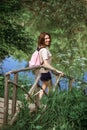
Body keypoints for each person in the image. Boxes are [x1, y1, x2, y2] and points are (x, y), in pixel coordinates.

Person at [37, 32, 64, 99]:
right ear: (42, 39)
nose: (48, 40)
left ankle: (38, 102)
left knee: (46, 87)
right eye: (46, 38)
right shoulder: (44, 50)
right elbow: (45, 63)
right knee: (47, 88)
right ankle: (38, 103)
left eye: (48, 38)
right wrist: (56, 70)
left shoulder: (40, 48)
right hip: (44, 72)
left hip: (44, 71)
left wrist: (53, 71)